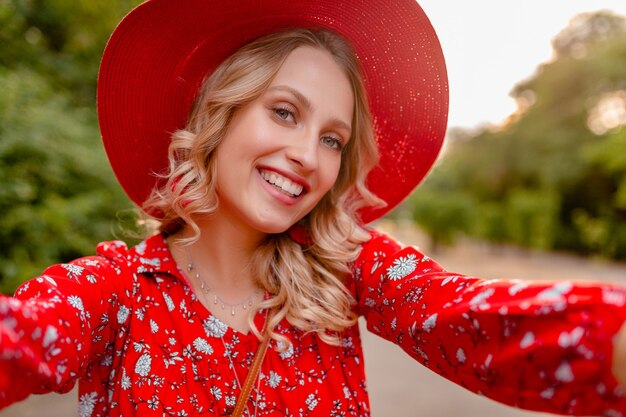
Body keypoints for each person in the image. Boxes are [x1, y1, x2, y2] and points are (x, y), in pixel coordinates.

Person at [1, 0, 626, 416]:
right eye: (284, 111)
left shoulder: (348, 273)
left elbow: (475, 322)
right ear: (217, 113)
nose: (307, 155)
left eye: (333, 139)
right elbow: (20, 338)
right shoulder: (114, 291)